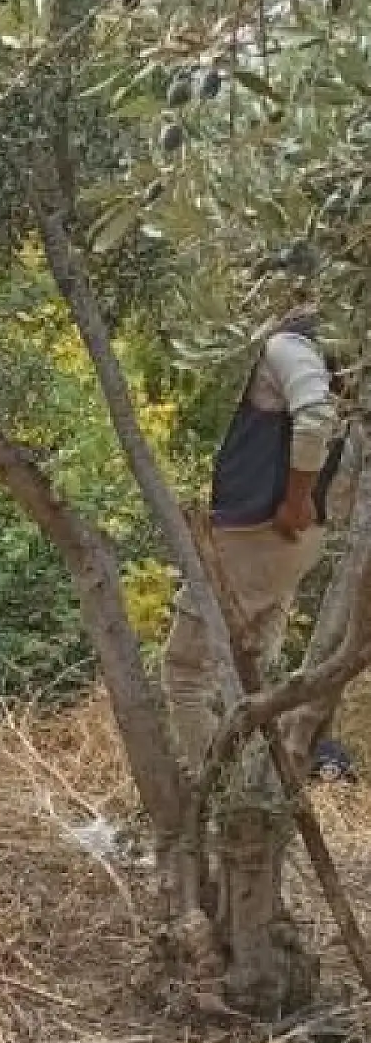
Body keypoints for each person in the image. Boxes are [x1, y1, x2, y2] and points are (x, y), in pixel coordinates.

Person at [163, 303, 343, 772]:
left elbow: (316, 418)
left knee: (186, 672)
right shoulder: (334, 348)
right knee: (251, 677)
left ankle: (222, 800)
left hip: (258, 536)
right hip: (279, 538)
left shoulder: (290, 345)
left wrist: (296, 499)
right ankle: (251, 793)